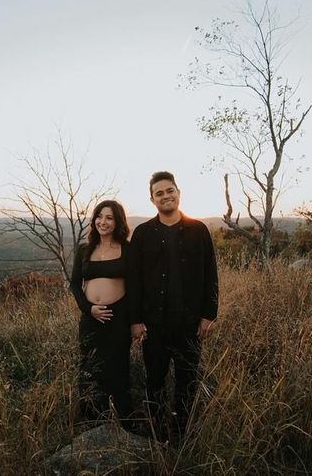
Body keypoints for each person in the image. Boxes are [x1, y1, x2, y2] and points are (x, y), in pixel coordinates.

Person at [128, 171, 218, 438]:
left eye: (170, 190)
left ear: (179, 192)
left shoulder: (198, 230)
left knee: (187, 381)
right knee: (154, 381)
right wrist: (134, 320)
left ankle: (181, 433)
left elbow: (210, 274)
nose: (165, 196)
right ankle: (157, 433)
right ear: (152, 199)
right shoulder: (143, 234)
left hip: (189, 324)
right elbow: (134, 280)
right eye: (159, 193)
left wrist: (208, 315)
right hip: (153, 326)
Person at [70, 199, 132, 421]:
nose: (103, 222)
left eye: (109, 217)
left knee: (118, 368)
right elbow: (74, 284)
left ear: (117, 222)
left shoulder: (127, 249)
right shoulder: (84, 249)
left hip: (119, 318)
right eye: (99, 216)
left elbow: (136, 286)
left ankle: (122, 420)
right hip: (90, 319)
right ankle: (90, 420)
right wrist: (89, 309)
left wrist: (135, 320)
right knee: (89, 367)